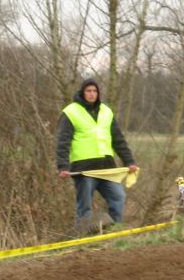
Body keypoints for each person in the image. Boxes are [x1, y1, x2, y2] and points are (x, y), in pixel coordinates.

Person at [56, 78, 138, 228]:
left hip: (107, 168)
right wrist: (63, 166)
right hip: (84, 169)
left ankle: (113, 231)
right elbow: (63, 141)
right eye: (88, 91)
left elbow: (118, 139)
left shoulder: (106, 111)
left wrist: (129, 161)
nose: (92, 94)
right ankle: (83, 236)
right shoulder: (70, 112)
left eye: (95, 91)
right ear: (82, 92)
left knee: (118, 197)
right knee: (84, 207)